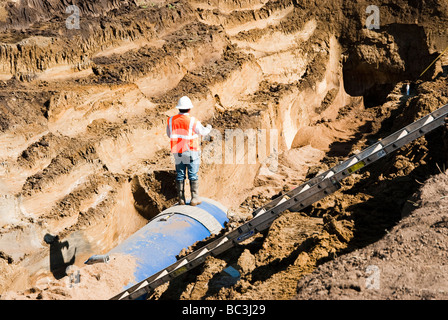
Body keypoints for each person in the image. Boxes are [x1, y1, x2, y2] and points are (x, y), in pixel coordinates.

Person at [166, 96, 212, 206]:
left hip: (178, 151)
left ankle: (181, 199)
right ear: (189, 109)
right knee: (193, 174)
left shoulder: (171, 120)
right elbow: (203, 132)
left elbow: (169, 134)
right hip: (191, 151)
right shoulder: (192, 121)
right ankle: (194, 198)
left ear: (179, 108)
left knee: (180, 175)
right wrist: (209, 127)